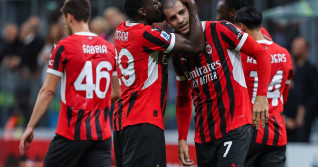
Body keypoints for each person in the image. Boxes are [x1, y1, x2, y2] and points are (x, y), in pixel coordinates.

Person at [162, 0, 271, 166]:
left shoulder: (220, 29)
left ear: (190, 10)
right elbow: (183, 97)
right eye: (174, 17)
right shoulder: (178, 53)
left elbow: (261, 54)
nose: (181, 19)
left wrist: (261, 96)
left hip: (235, 125)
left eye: (182, 12)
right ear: (168, 23)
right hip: (203, 135)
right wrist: (182, 138)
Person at [19, 0, 119, 166]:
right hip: (102, 135)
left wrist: (30, 126)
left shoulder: (63, 47)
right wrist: (94, 105)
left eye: (64, 18)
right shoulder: (110, 48)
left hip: (71, 132)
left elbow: (47, 91)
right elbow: (117, 93)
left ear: (70, 17)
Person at [113, 0, 205, 166]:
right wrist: (191, 6)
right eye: (154, 3)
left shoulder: (122, 28)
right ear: (142, 11)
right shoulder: (147, 34)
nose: (159, 4)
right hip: (143, 122)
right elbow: (196, 45)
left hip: (124, 121)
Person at [234, 6, 294, 167]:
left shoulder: (242, 55)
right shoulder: (285, 54)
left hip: (250, 130)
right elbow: (284, 94)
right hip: (277, 130)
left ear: (241, 27)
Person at [289, 37, 318, 142]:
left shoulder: (311, 70)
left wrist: (305, 112)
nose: (295, 50)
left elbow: (315, 95)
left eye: (298, 47)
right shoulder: (290, 68)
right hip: (287, 120)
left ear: (305, 50)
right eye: (294, 47)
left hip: (302, 121)